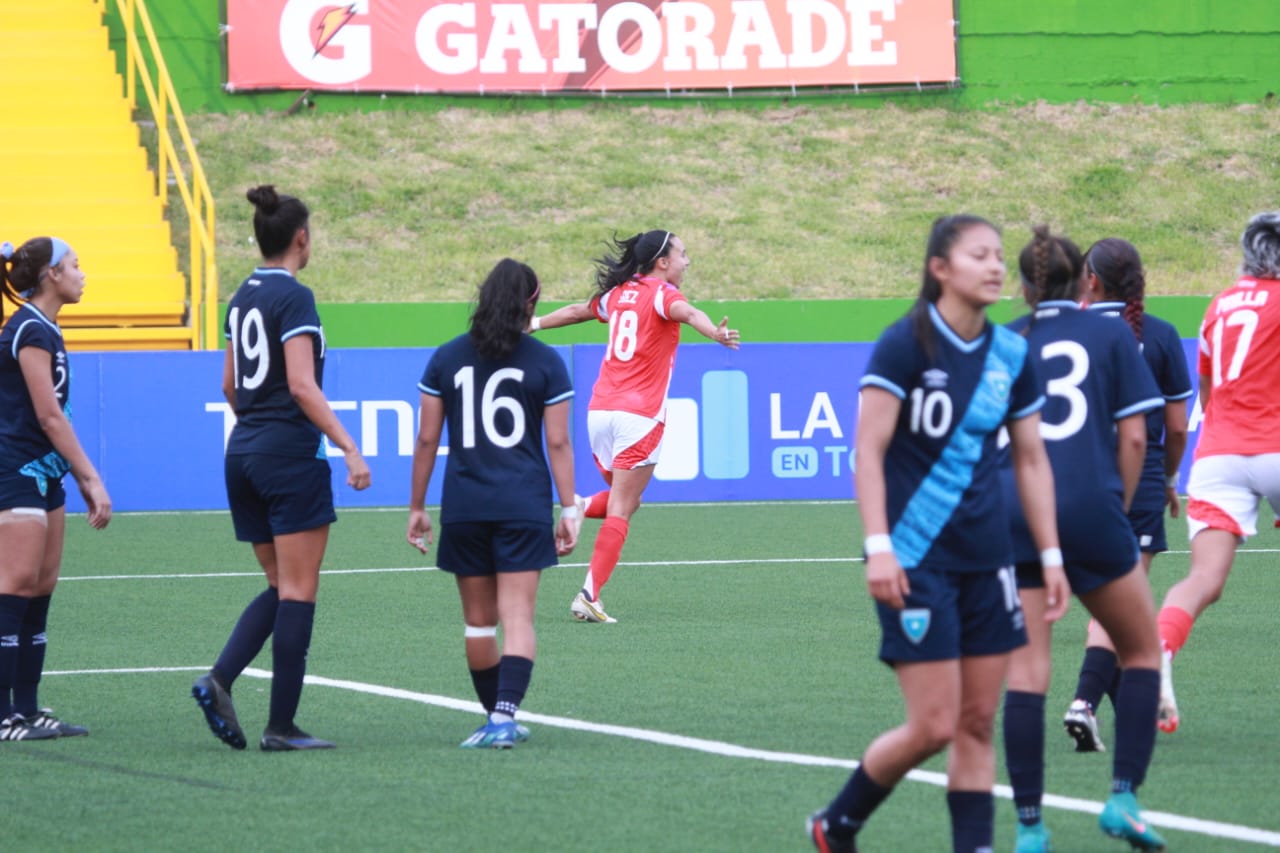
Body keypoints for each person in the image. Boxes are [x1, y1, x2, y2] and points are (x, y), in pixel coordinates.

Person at [807, 214, 1063, 853]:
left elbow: (1031, 459)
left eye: (1000, 255)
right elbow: (868, 451)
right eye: (979, 255)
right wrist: (879, 546)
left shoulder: (1012, 353)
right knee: (934, 725)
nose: (997, 266)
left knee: (978, 723)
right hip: (916, 560)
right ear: (940, 269)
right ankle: (837, 822)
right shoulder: (905, 343)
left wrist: (1051, 554)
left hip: (991, 562)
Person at [997, 227, 1167, 852]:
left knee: (1027, 674)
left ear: (1023, 287)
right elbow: (1135, 438)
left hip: (1017, 516)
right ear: (1084, 283)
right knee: (1142, 651)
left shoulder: (1006, 341)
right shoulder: (1111, 332)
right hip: (1092, 510)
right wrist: (1115, 511)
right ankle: (1123, 796)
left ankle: (1030, 830)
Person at [191, 186, 370, 752]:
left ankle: (220, 679)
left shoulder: (240, 297)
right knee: (299, 590)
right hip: (287, 456)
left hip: (241, 453)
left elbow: (227, 384)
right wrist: (347, 445)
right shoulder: (296, 299)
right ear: (301, 239)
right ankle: (281, 726)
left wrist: (259, 431)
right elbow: (300, 384)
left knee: (278, 584)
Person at [407, 258, 578, 749]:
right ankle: (504, 715)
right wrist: (569, 509)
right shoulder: (546, 361)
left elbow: (425, 439)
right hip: (523, 503)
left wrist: (417, 506)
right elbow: (559, 444)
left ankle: (495, 718)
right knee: (519, 617)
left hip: (464, 505)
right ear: (532, 303)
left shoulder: (446, 357)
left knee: (479, 624)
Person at [530, 230, 738, 623]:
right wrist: (714, 333)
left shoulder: (621, 293)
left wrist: (534, 323)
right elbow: (690, 314)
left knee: (628, 499)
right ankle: (589, 595)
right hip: (639, 417)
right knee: (623, 507)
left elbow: (577, 311)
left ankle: (577, 506)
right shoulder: (663, 295)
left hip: (599, 413)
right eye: (683, 254)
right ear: (662, 262)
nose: (687, 261)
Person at [1063, 238, 1192, 752]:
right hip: (1139, 477)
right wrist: (1167, 478)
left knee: (1112, 604)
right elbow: (1177, 427)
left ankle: (1128, 703)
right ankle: (1085, 701)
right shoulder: (1159, 335)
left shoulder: (1069, 331)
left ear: (1089, 280)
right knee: (1121, 604)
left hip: (1076, 476)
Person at [1155, 210, 1280, 734]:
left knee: (1203, 579)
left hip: (1218, 454)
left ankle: (1157, 654)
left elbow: (1208, 393)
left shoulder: (1218, 306)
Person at [0, 237, 111, 742]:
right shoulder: (28, 327)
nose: (82, 273)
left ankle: (26, 707)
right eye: (75, 265)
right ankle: (4, 716)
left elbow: (53, 416)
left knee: (40, 590)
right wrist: (90, 474)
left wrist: (72, 473)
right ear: (50, 274)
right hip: (16, 469)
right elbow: (47, 415)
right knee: (15, 586)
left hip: (45, 473)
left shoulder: (45, 327)